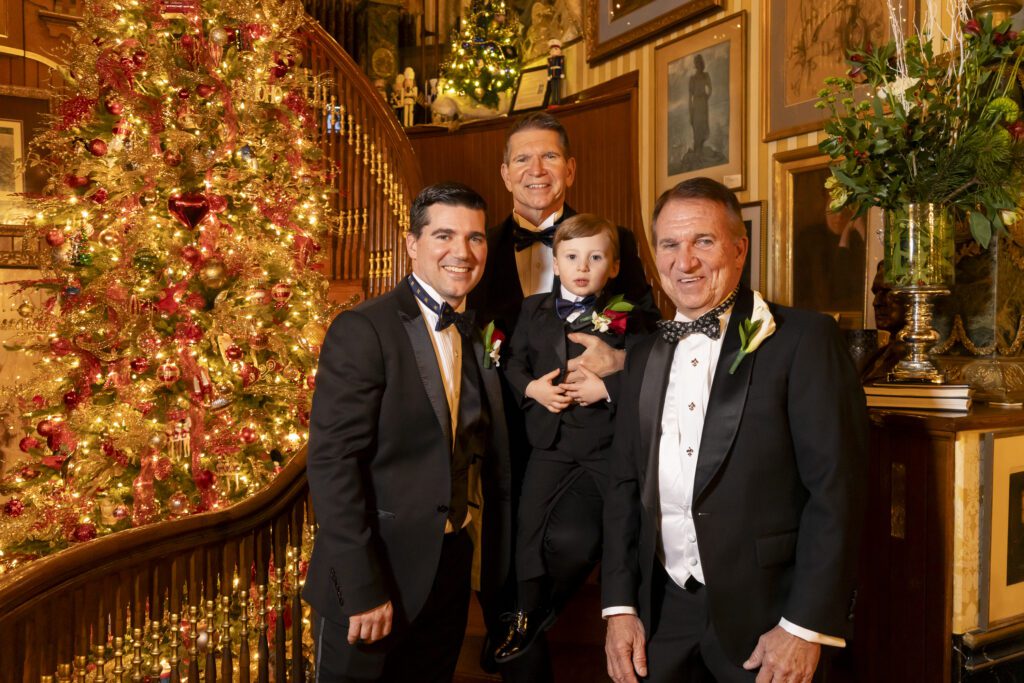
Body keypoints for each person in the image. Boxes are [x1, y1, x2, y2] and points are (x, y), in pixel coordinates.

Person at [603, 177, 867, 683]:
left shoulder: (804, 340)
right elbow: (623, 489)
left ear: (739, 248)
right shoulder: (639, 356)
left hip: (769, 620)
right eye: (670, 244)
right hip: (661, 615)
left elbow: (837, 492)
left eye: (703, 241)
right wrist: (619, 607)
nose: (685, 261)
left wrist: (804, 626)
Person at [468, 111, 658, 682]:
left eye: (549, 156)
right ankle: (519, 650)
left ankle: (532, 619)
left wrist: (616, 366)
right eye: (522, 158)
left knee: (573, 540)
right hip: (503, 428)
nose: (536, 169)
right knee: (502, 559)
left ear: (570, 168)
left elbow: (649, 330)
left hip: (591, 433)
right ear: (504, 173)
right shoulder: (482, 245)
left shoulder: (613, 239)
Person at [303, 182, 512, 682]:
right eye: (444, 235)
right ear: (411, 244)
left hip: (447, 569)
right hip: (374, 575)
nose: (462, 253)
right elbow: (332, 465)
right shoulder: (363, 329)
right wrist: (361, 587)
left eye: (476, 238)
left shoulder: (479, 328)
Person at [493, 214, 653, 662]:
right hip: (551, 442)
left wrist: (608, 384)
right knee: (529, 524)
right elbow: (512, 363)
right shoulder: (532, 309)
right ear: (556, 264)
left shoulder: (627, 314)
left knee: (622, 530)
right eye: (572, 257)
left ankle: (597, 610)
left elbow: (651, 368)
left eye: (596, 257)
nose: (583, 267)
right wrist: (532, 388)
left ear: (614, 267)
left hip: (606, 444)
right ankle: (525, 611)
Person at [547, 39, 565, 105]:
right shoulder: (549, 59)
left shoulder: (561, 58)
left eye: (555, 49)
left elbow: (562, 66)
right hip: (552, 75)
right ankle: (553, 102)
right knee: (553, 89)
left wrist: (562, 73)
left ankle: (558, 101)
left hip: (558, 73)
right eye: (552, 50)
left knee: (558, 88)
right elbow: (549, 68)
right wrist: (549, 75)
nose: (553, 51)